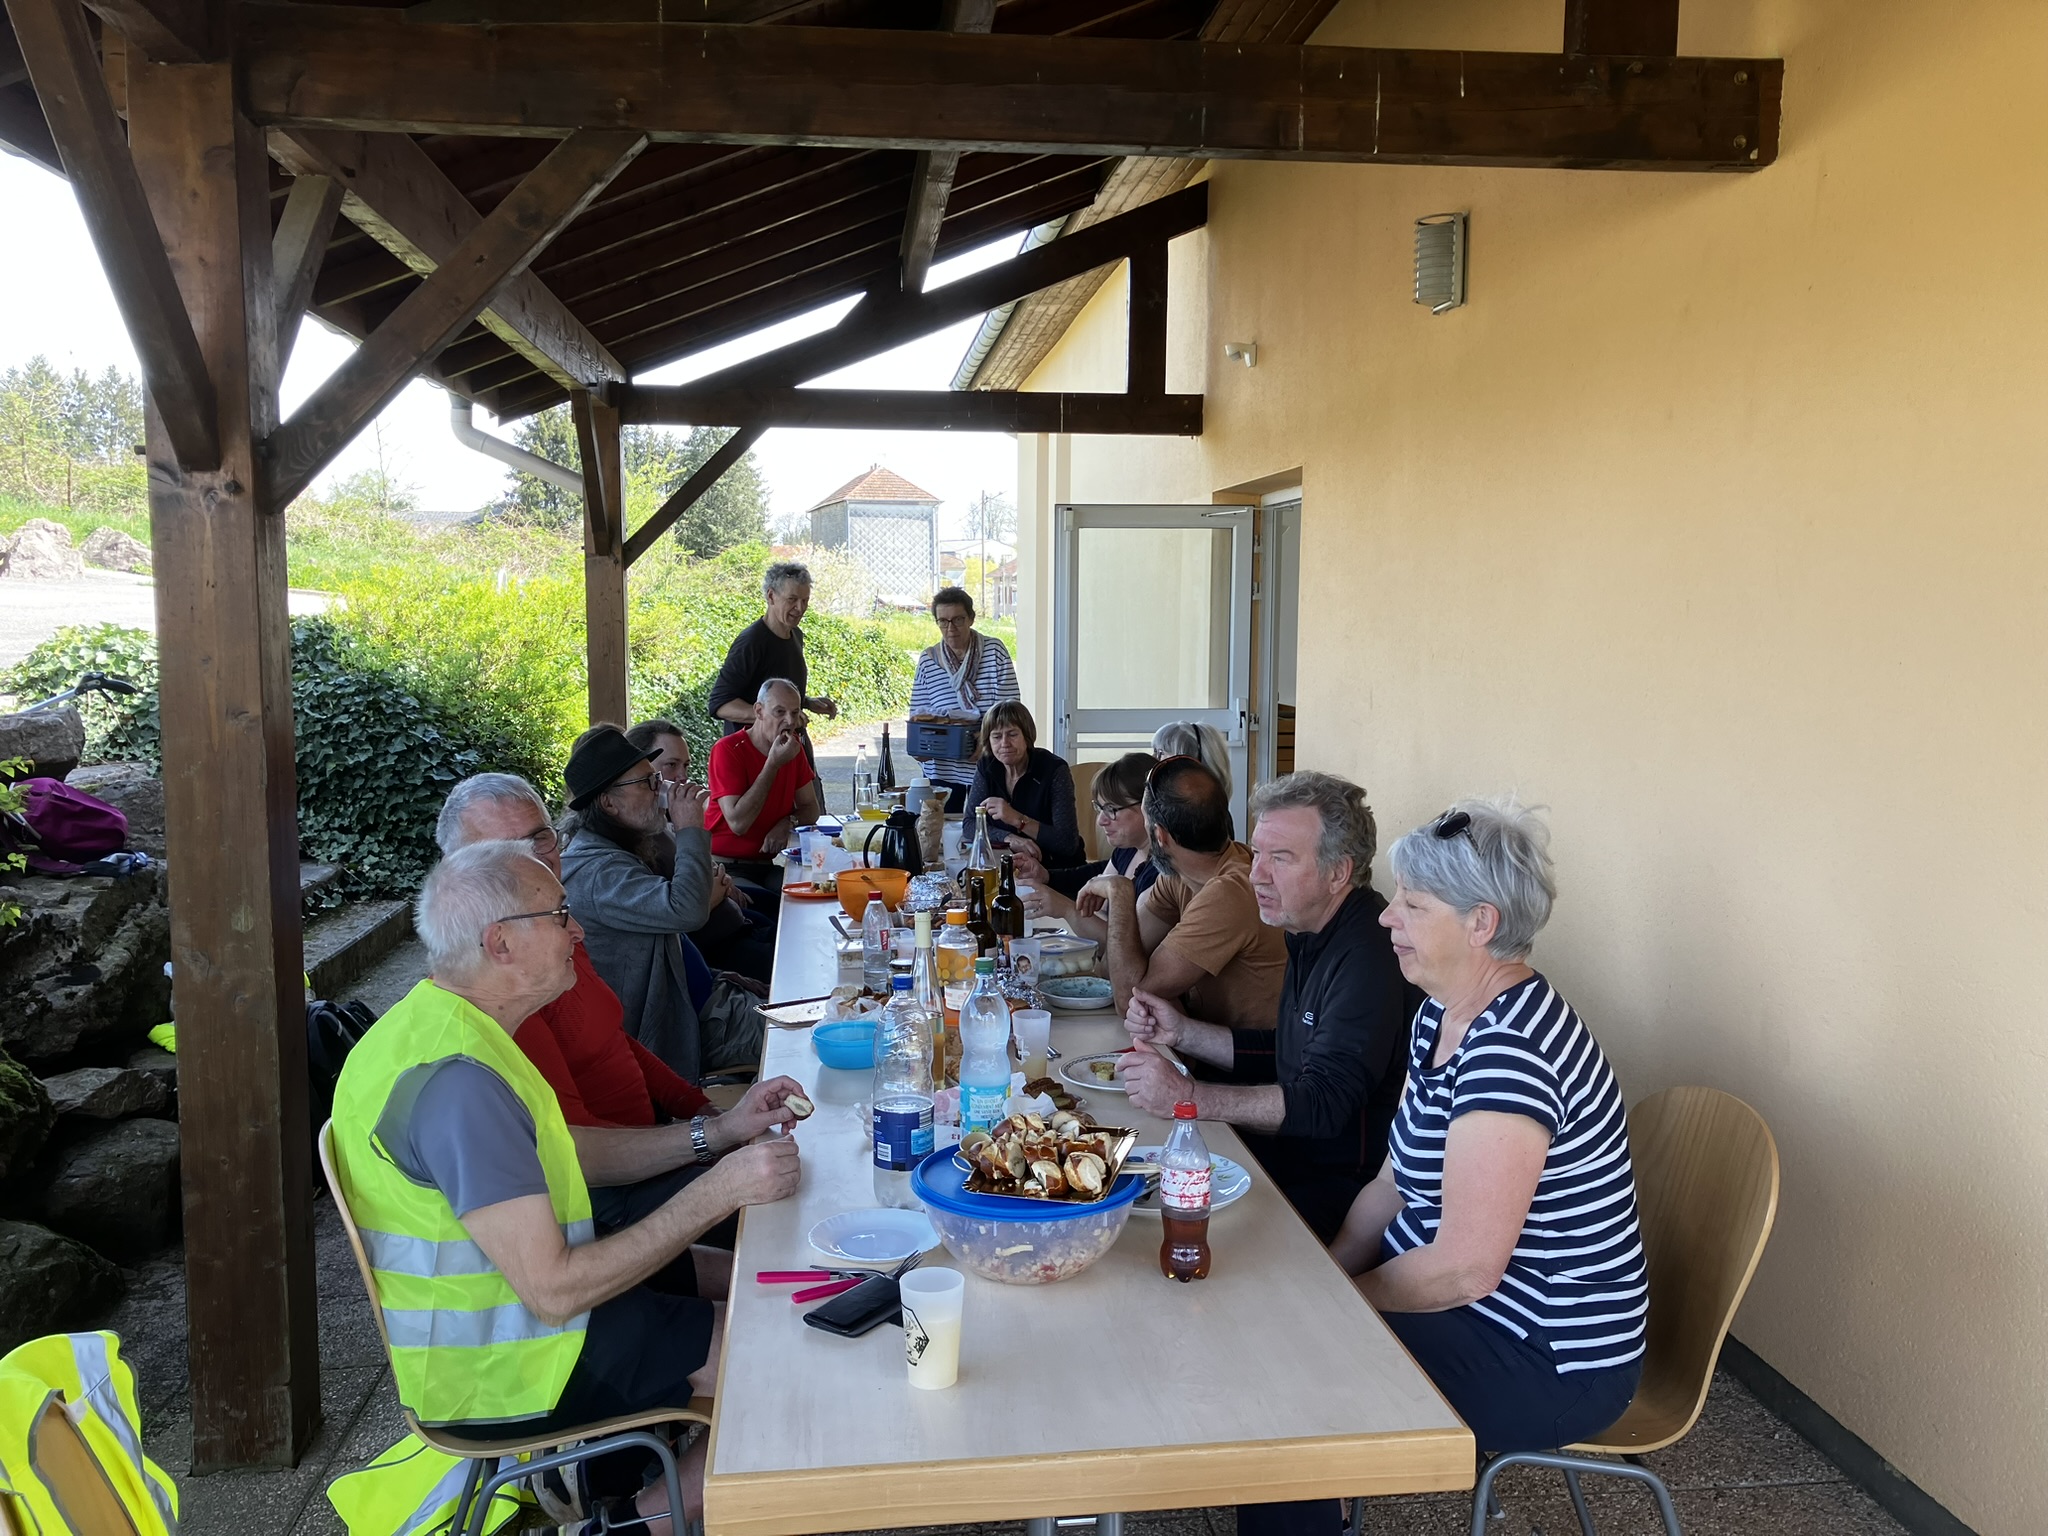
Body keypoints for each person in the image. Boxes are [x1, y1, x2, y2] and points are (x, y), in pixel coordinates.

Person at [330, 839, 804, 1534]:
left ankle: (620, 1475)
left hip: (520, 1317)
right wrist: (717, 1191)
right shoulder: (458, 1084)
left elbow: (573, 1155)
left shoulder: (447, 1026)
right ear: (500, 943)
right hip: (512, 1365)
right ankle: (630, 1524)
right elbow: (553, 1290)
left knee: (762, 1283)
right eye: (559, 915)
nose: (577, 931)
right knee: (784, 1354)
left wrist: (721, 1133)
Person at [1294, 799, 1644, 1535]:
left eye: (1414, 905)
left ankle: (1314, 1493)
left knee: (1297, 1387)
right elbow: (1392, 1182)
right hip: (1469, 1304)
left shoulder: (1512, 1051)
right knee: (1284, 1277)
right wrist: (1328, 1277)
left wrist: (1336, 1311)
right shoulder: (1442, 1011)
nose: (1387, 918)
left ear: (1481, 923)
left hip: (1544, 1353)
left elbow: (1466, 1270)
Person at [436, 773, 797, 1258]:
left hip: (656, 1147)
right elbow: (581, 1158)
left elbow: (614, 1039)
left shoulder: (552, 928)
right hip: (609, 1200)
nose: (535, 858)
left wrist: (703, 1110)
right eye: (504, 849)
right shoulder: (496, 992)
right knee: (789, 1223)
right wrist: (709, 1141)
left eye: (541, 837)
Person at [1118, 771, 1418, 1242]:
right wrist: (1182, 1033)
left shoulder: (1368, 956)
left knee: (1158, 1225)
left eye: (1280, 858)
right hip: (1288, 1156)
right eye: (1257, 853)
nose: (1256, 873)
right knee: (1125, 1175)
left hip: (1333, 1189)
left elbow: (1324, 1102)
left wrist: (1187, 1096)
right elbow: (1292, 1050)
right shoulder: (1307, 926)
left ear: (1338, 872)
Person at [558, 724, 759, 1082]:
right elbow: (687, 909)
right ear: (608, 803)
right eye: (647, 782)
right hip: (686, 1030)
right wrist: (690, 828)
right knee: (814, 1036)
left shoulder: (615, 849)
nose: (661, 790)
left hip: (708, 1003)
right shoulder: (597, 872)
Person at [1085, 756, 1287, 1028]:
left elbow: (1129, 999)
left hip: (1246, 1053)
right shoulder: (1181, 874)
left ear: (1160, 836)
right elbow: (1110, 972)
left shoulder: (1229, 892)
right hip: (1194, 1040)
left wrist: (1120, 893)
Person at [626, 718, 775, 983]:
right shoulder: (632, 834)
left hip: (736, 920)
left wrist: (717, 876)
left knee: (792, 918)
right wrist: (709, 894)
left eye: (685, 766)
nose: (682, 776)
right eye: (671, 765)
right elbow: (674, 915)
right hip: (713, 950)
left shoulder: (662, 819)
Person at [1007, 751, 1159, 921]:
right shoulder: (1128, 850)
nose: (1101, 821)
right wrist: (1046, 876)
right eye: (1100, 808)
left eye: (1111, 809)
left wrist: (1066, 908)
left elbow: (1122, 936)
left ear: (1148, 807)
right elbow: (1099, 904)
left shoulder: (1162, 876)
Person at [906, 585, 1019, 811]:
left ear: (971, 619)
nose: (951, 628)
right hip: (942, 769)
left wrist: (985, 739)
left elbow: (1010, 709)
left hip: (989, 763)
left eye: (958, 620)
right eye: (943, 621)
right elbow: (919, 714)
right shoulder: (928, 660)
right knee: (942, 827)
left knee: (989, 826)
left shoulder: (994, 651)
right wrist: (920, 747)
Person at [706, 679, 825, 887]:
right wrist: (773, 764)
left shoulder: (793, 748)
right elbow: (738, 824)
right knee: (769, 903)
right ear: (759, 711)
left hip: (765, 865)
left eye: (795, 712)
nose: (789, 721)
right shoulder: (728, 749)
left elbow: (811, 808)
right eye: (780, 712)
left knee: (814, 889)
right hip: (724, 867)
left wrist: (788, 822)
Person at [707, 561, 837, 735]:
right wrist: (778, 717)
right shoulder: (751, 642)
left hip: (789, 744)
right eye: (792, 599)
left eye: (805, 600)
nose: (800, 608)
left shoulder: (796, 635)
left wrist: (806, 702)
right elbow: (721, 704)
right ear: (771, 596)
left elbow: (771, 694)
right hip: (754, 748)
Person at [963, 701, 1085, 867]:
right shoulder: (987, 766)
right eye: (997, 737)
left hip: (1055, 869)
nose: (1004, 743)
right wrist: (1009, 839)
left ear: (1027, 737)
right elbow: (970, 824)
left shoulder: (1054, 770)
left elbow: (1067, 843)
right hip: (1006, 865)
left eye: (1012, 734)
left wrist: (1017, 819)